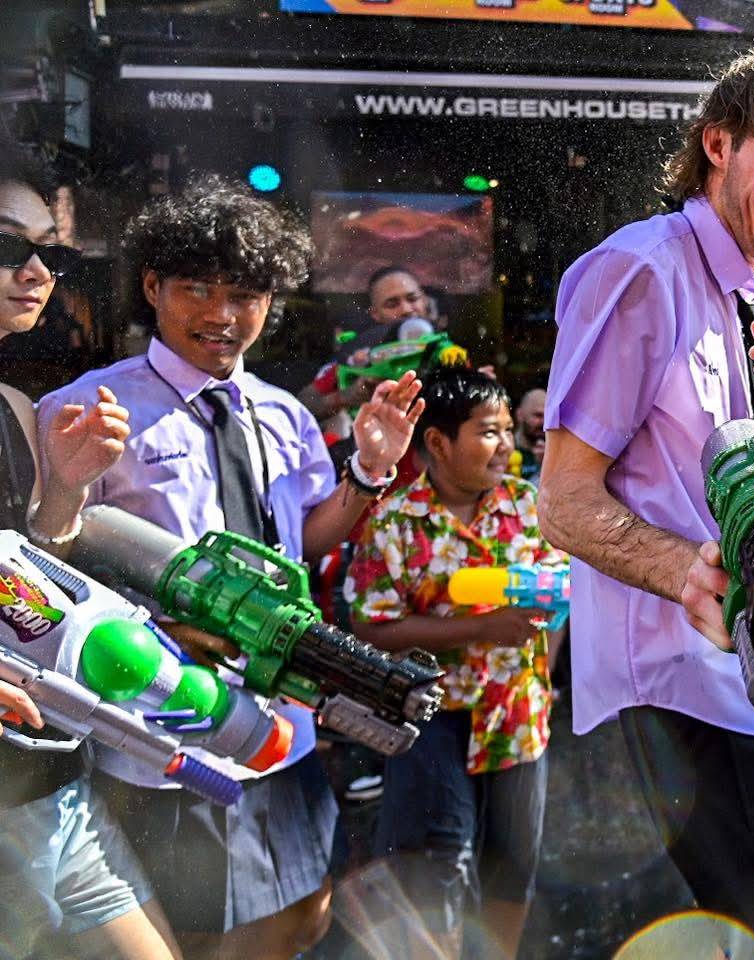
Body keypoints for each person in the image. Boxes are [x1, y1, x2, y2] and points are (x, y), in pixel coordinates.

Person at [538, 38, 754, 959]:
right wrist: (690, 576)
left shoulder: (752, 293)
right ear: (717, 144)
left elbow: (731, 477)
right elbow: (563, 501)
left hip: (743, 678)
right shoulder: (642, 269)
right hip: (678, 688)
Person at [36, 175, 423, 960]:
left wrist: (369, 471)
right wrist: (154, 623)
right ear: (154, 287)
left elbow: (307, 539)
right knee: (188, 933)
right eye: (198, 290)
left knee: (306, 910)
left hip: (283, 722)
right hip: (164, 726)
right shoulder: (89, 408)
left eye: (244, 295)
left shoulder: (284, 414)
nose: (222, 314)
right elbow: (45, 564)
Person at [0, 140, 182, 960]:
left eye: (52, 252)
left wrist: (68, 489)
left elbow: (32, 575)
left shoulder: (13, 407)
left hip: (50, 782)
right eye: (8, 246)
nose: (37, 272)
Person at [347, 367, 563, 960]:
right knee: (436, 866)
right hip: (432, 721)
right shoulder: (394, 520)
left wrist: (544, 674)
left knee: (511, 867)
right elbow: (370, 626)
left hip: (518, 718)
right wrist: (481, 628)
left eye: (507, 430)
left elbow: (558, 598)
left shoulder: (531, 506)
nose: (506, 445)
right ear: (439, 443)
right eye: (489, 432)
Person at [299, 264, 428, 428]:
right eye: (392, 304)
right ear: (375, 314)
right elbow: (304, 403)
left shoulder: (448, 349)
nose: (406, 309)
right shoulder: (359, 355)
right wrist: (346, 396)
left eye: (412, 299)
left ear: (424, 300)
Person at [513, 387, 546, 482]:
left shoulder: (554, 451)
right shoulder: (506, 449)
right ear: (520, 415)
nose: (544, 422)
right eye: (538, 415)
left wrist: (548, 464)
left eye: (548, 416)